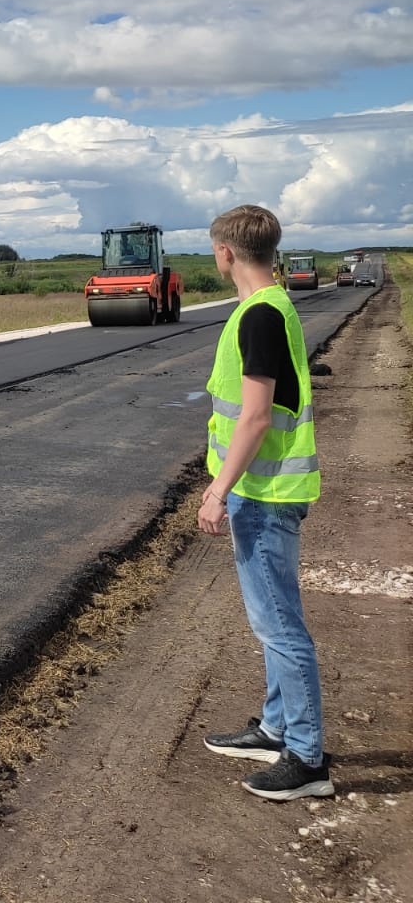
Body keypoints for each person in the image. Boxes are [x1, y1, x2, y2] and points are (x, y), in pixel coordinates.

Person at [197, 204, 330, 801]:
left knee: (279, 625)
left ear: (225, 253)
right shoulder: (274, 304)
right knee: (272, 619)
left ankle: (306, 757)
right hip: (264, 490)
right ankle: (277, 727)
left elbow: (254, 416)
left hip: (265, 492)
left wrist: (217, 490)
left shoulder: (258, 316)